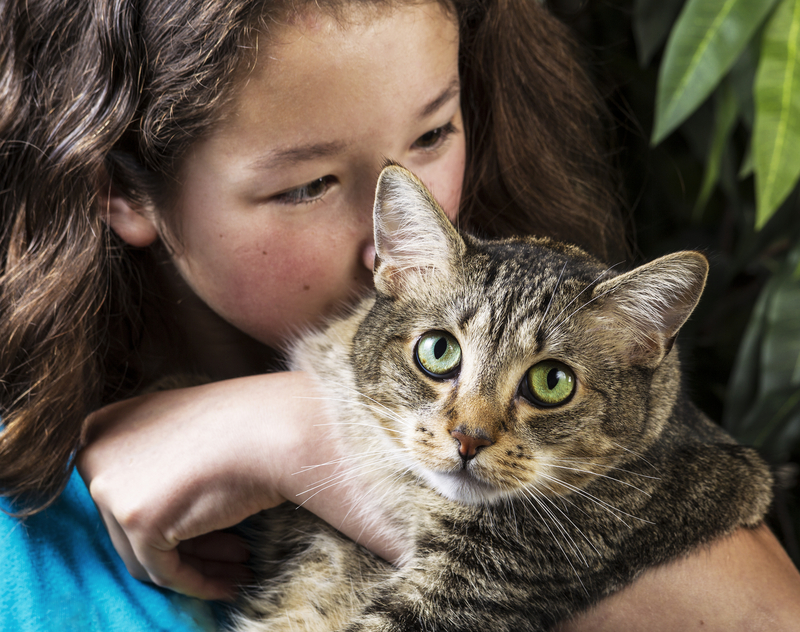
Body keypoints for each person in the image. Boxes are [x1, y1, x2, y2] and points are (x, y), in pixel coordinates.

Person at [1, 0, 799, 629]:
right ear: (121, 188)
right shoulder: (24, 553)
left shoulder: (549, 339)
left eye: (433, 132)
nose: (391, 253)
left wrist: (290, 428)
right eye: (308, 184)